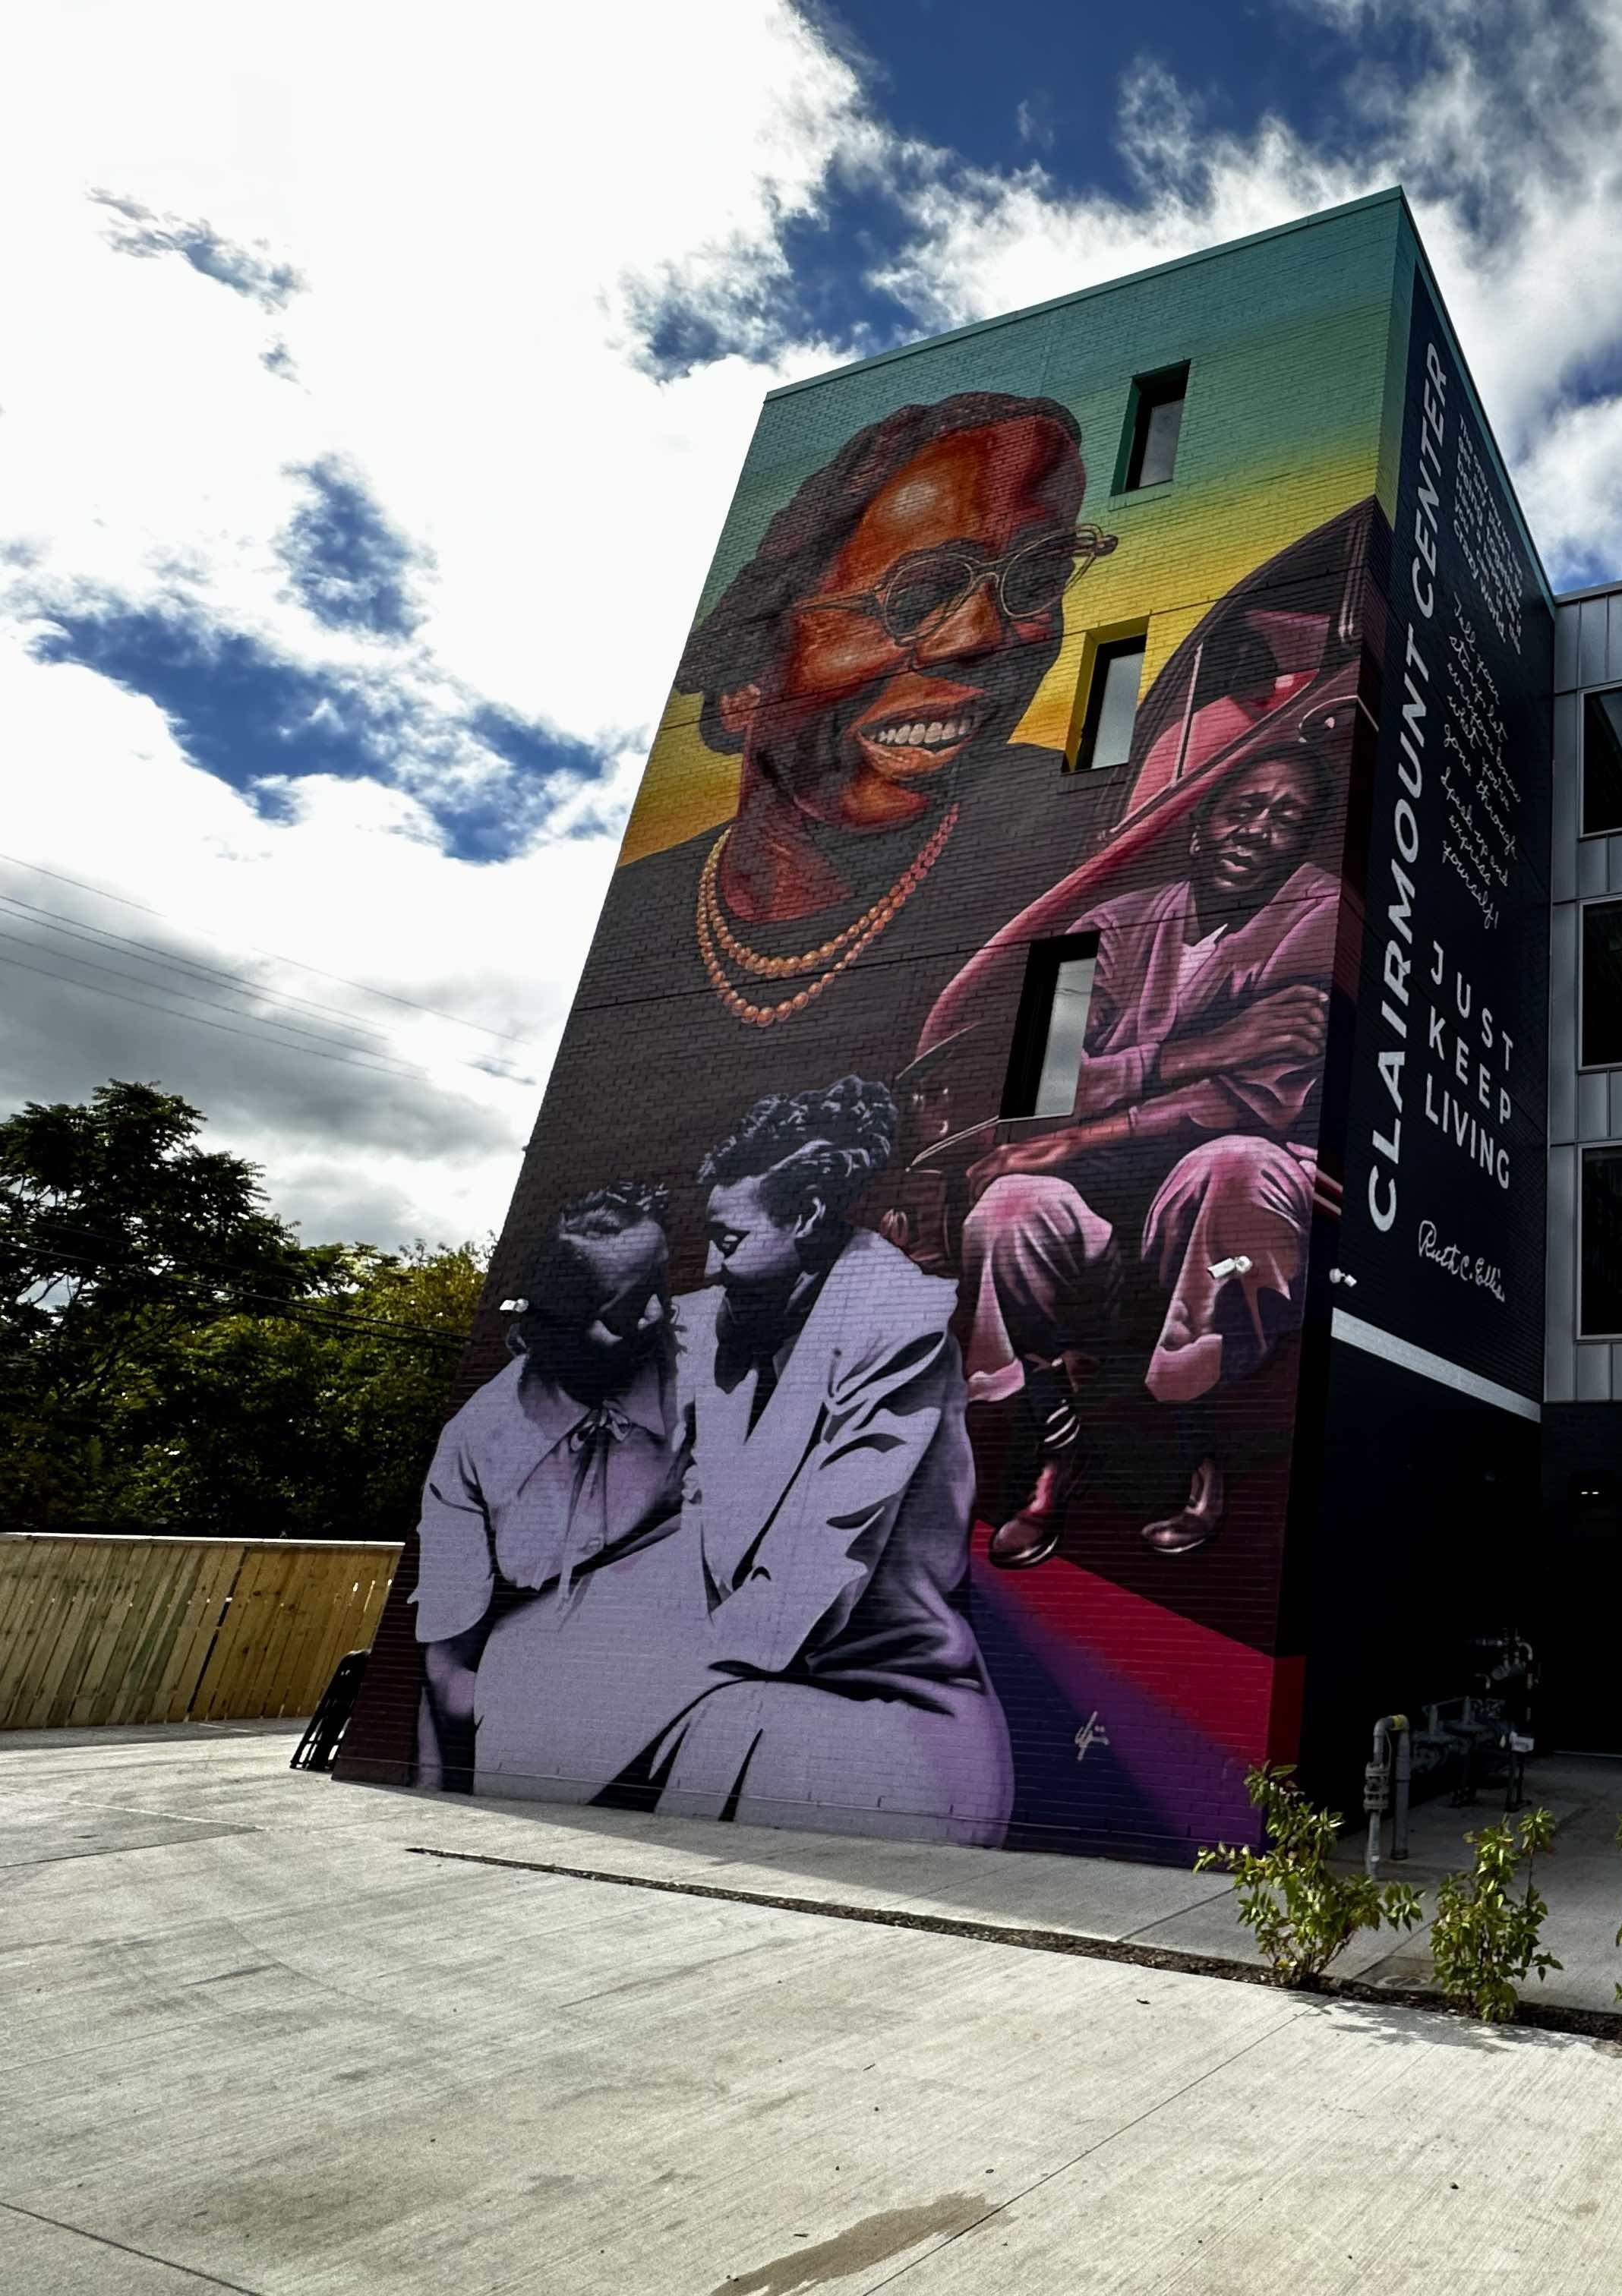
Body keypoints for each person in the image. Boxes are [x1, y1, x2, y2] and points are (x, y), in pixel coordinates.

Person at [482, 393, 1116, 1329]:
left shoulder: (1076, 841)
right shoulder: (632, 939)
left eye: (1034, 575)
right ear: (744, 683)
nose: (986, 635)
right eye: (922, 591)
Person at [958, 733, 1351, 1563]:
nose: (1258, 830)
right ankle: (1057, 1451)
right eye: (1243, 809)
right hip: (1096, 1198)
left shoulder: (1320, 917)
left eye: (1288, 819)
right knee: (1008, 1209)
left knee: (1235, 1163)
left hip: (1216, 1210)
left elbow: (1247, 1101)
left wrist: (1084, 1123)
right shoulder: (1104, 922)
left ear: (1310, 839)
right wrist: (1205, 1047)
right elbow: (1039, 1081)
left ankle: (1193, 1444)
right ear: (1201, 823)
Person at [642, 1077, 1015, 1845]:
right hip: (735, 1689)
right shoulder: (716, 1320)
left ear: (808, 1216)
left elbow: (807, 1585)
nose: (709, 1265)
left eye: (732, 1241)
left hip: (884, 1718)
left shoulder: (898, 1329)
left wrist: (631, 1661)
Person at [407, 1184, 689, 1795]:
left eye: (659, 1288)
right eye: (626, 1306)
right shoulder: (477, 1444)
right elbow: (450, 1667)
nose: (657, 1317)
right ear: (557, 1325)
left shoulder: (710, 1376)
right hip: (546, 1718)